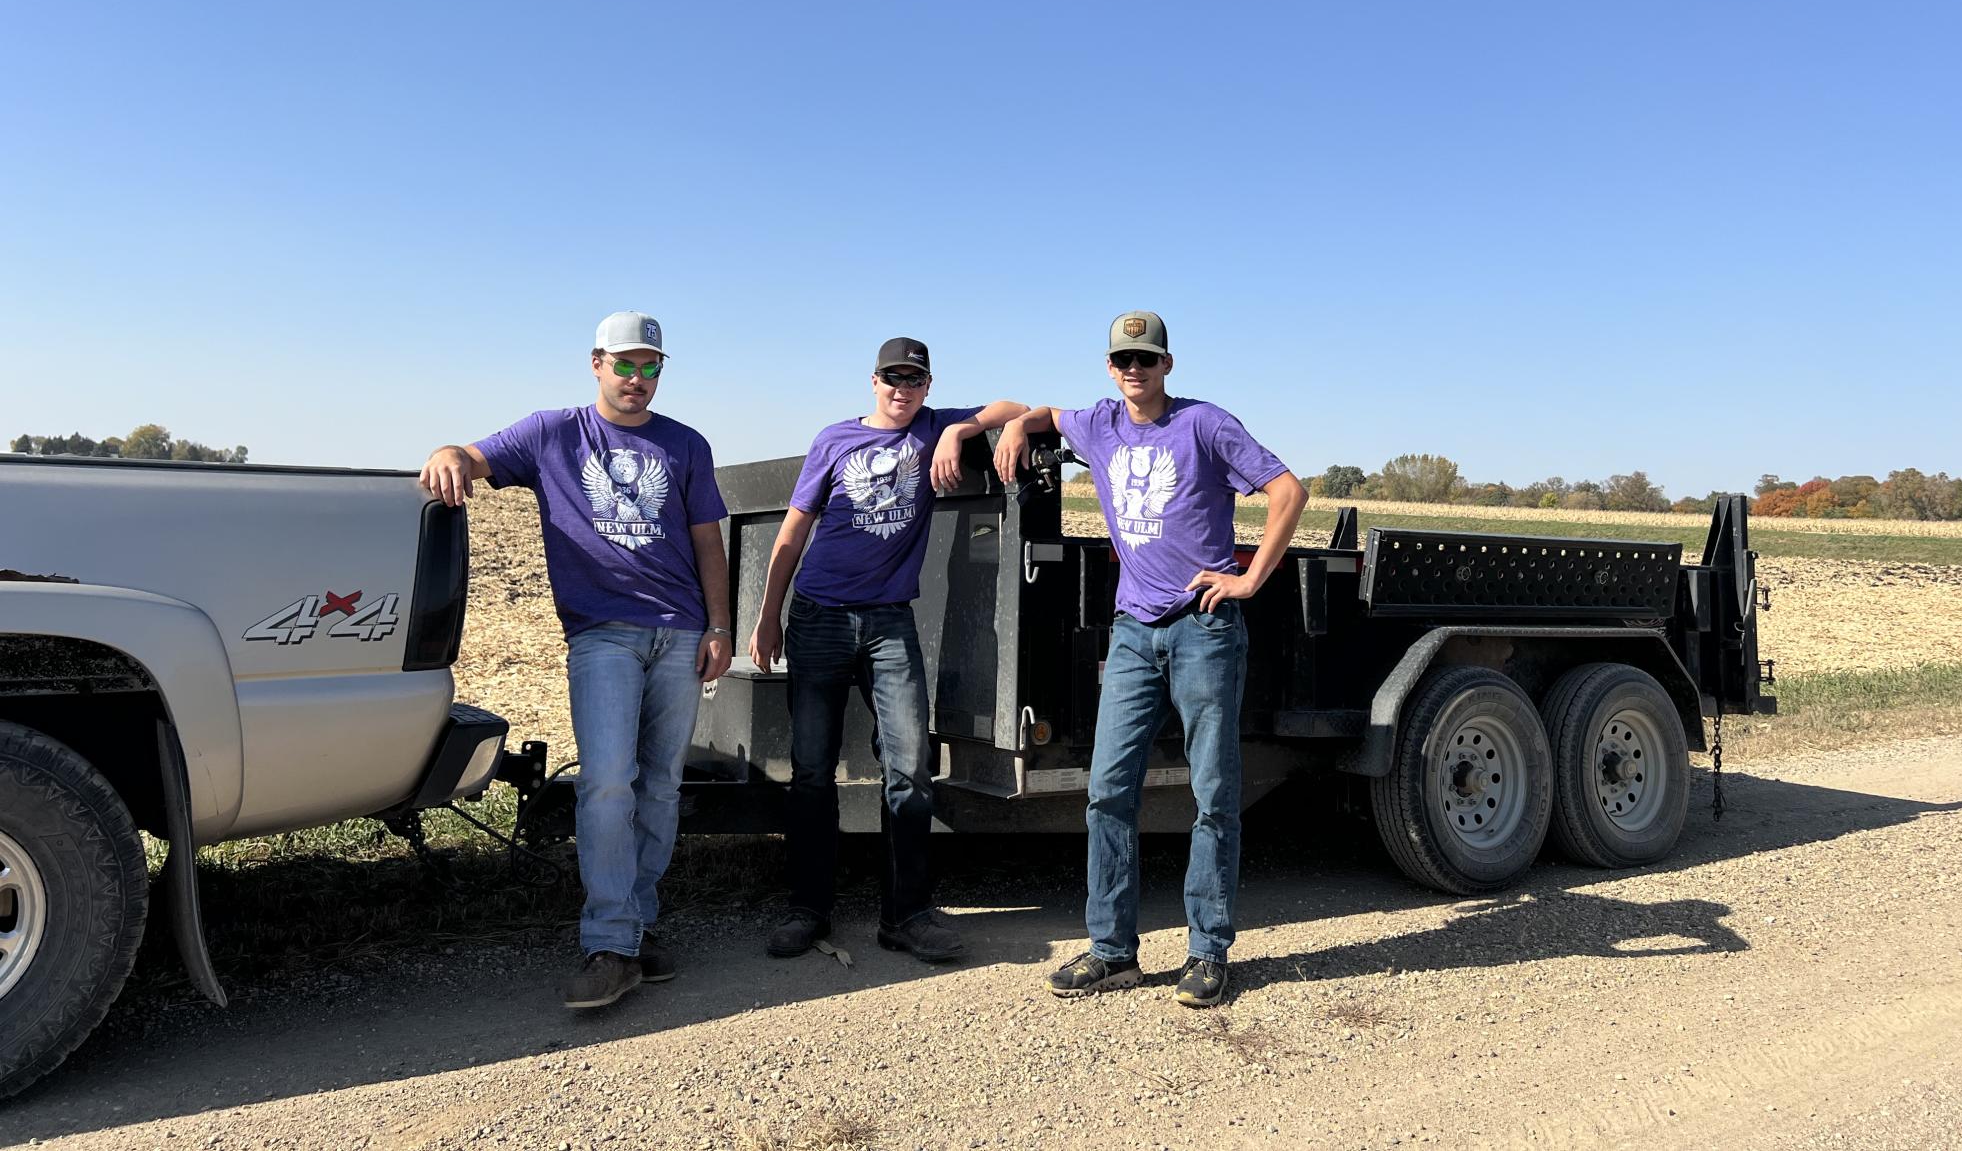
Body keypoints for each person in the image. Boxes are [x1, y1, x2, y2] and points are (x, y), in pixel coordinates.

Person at [419, 311, 732, 1011]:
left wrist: (718, 625)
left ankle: (634, 927)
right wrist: (448, 451)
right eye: (624, 364)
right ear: (596, 363)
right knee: (606, 785)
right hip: (603, 634)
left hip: (679, 633)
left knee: (658, 787)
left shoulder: (685, 444)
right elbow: (473, 456)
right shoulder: (551, 432)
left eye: (649, 365)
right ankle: (609, 944)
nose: (636, 377)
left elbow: (708, 540)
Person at [994, 310, 1306, 1009]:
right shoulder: (1099, 422)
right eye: (1122, 359)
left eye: (1146, 358)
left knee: (1213, 792)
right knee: (1107, 788)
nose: (1133, 369)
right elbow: (1042, 412)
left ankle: (1207, 951)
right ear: (1110, 367)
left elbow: (1289, 492)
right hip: (1134, 631)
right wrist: (1017, 426)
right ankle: (1111, 952)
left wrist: (1249, 578)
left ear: (1167, 363)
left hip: (1203, 627)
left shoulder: (1205, 424)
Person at [748, 338, 1025, 963]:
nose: (902, 390)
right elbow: (793, 532)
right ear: (873, 381)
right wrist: (768, 618)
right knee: (813, 771)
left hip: (888, 623)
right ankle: (808, 910)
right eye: (892, 379)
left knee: (909, 767)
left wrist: (960, 433)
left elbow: (1014, 405)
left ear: (928, 386)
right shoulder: (834, 439)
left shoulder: (933, 426)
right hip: (818, 615)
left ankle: (905, 915)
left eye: (915, 380)